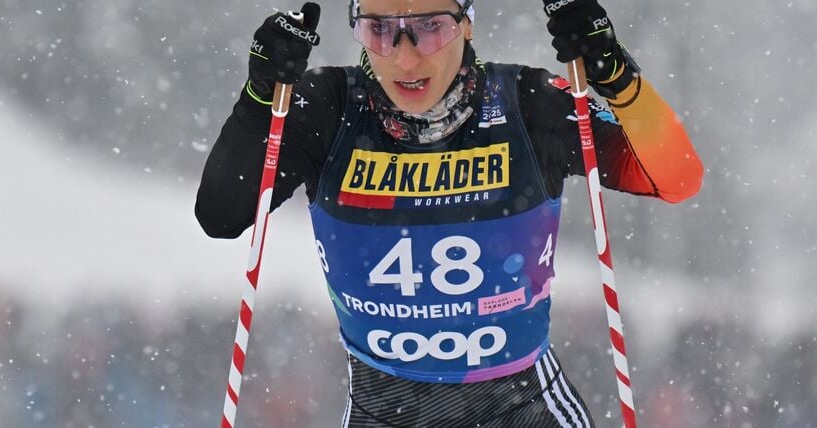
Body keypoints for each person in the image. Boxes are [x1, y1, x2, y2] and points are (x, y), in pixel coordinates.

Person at [196, 0, 703, 426]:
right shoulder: (327, 107)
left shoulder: (527, 104)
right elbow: (222, 214)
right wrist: (259, 97)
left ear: (467, 22)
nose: (405, 56)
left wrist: (616, 74)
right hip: (383, 411)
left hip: (522, 409)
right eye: (379, 30)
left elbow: (676, 178)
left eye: (429, 27)